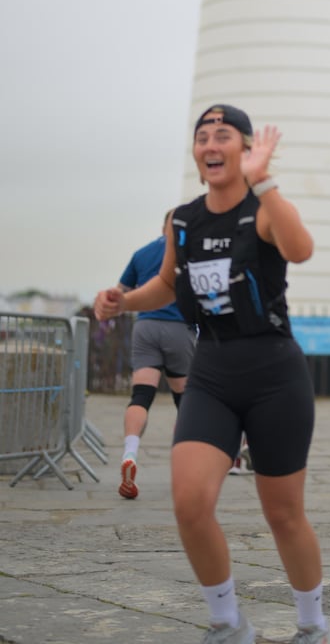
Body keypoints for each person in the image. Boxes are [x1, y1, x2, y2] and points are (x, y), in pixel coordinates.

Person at [94, 104, 330, 644]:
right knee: (189, 503)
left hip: (275, 372)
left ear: (245, 147)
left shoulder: (264, 208)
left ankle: (314, 626)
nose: (210, 143)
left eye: (222, 135)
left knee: (283, 514)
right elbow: (166, 284)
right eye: (202, 135)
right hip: (212, 371)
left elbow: (301, 249)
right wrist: (124, 300)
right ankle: (229, 624)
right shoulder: (183, 219)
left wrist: (266, 181)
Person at [115, 210, 196, 500]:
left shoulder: (142, 253)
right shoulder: (189, 253)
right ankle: (184, 468)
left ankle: (130, 453)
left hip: (145, 326)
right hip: (179, 329)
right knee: (184, 401)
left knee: (141, 396)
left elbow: (121, 292)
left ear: (162, 227)